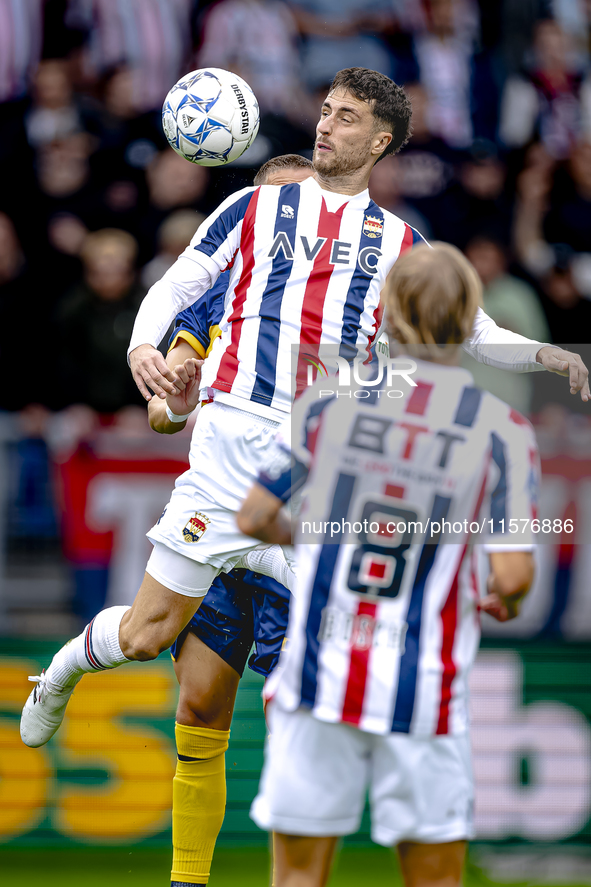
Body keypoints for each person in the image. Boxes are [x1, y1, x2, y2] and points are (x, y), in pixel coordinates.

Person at [21, 63, 587, 831]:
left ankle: (345, 821)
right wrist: (140, 347)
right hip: (222, 460)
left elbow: (475, 330)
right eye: (323, 111)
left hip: (313, 476)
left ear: (379, 139)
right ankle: (57, 675)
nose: (325, 124)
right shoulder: (251, 206)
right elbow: (179, 286)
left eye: (346, 116)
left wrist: (548, 355)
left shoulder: (399, 243)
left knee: (338, 654)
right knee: (147, 633)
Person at [237, 242, 538, 887]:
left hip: (318, 676)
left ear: (389, 313)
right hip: (424, 685)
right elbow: (512, 578)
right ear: (468, 318)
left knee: (296, 880)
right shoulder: (500, 430)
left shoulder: (327, 402)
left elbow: (254, 519)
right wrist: (502, 601)